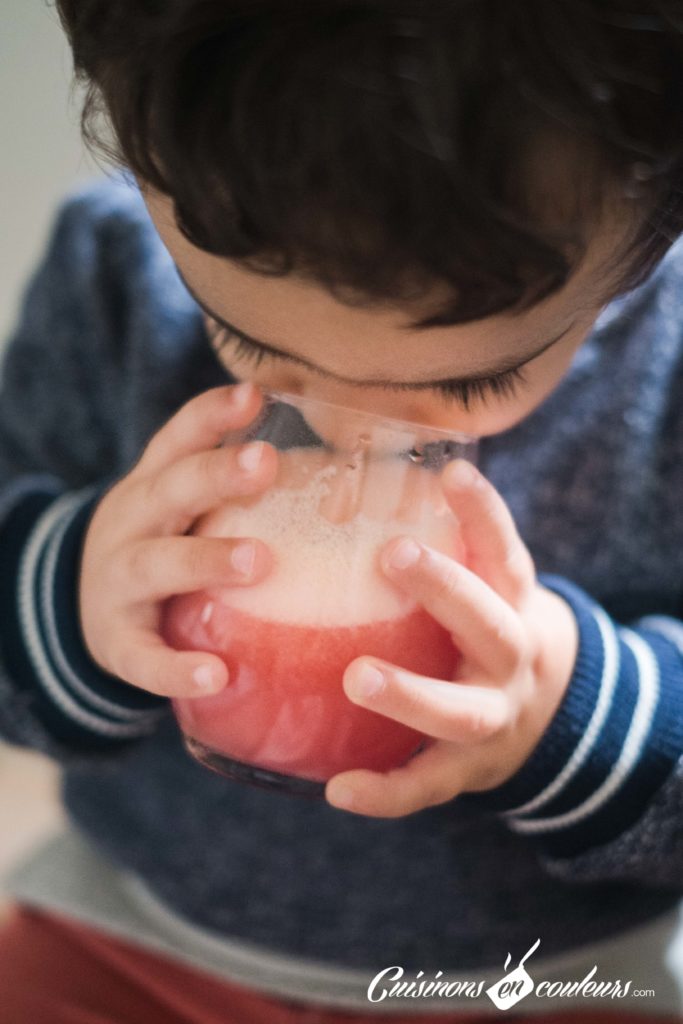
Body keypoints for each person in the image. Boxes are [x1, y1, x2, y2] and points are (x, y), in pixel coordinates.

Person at [1, 1, 683, 1020]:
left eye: (465, 384)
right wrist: (75, 587)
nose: (352, 440)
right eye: (237, 332)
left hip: (531, 984)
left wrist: (567, 707)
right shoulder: (112, 279)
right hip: (135, 937)